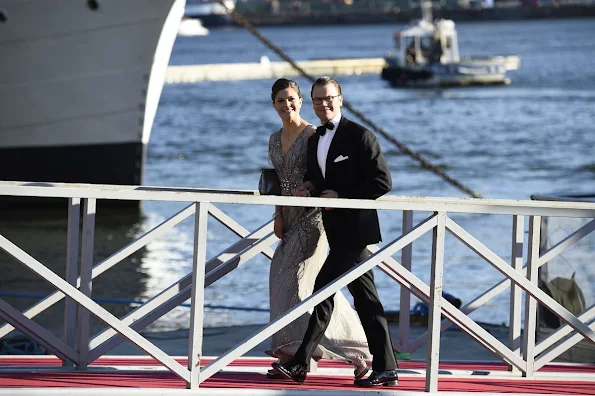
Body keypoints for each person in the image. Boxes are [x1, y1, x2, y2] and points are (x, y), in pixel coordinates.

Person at [272, 76, 399, 387]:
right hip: (334, 231)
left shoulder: (360, 136)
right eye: (317, 99)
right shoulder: (316, 140)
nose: (323, 104)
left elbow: (382, 183)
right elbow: (317, 176)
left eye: (328, 98)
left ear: (340, 99)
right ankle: (386, 367)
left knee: (322, 290)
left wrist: (341, 196)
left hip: (357, 231)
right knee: (366, 300)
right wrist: (309, 187)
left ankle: (301, 362)